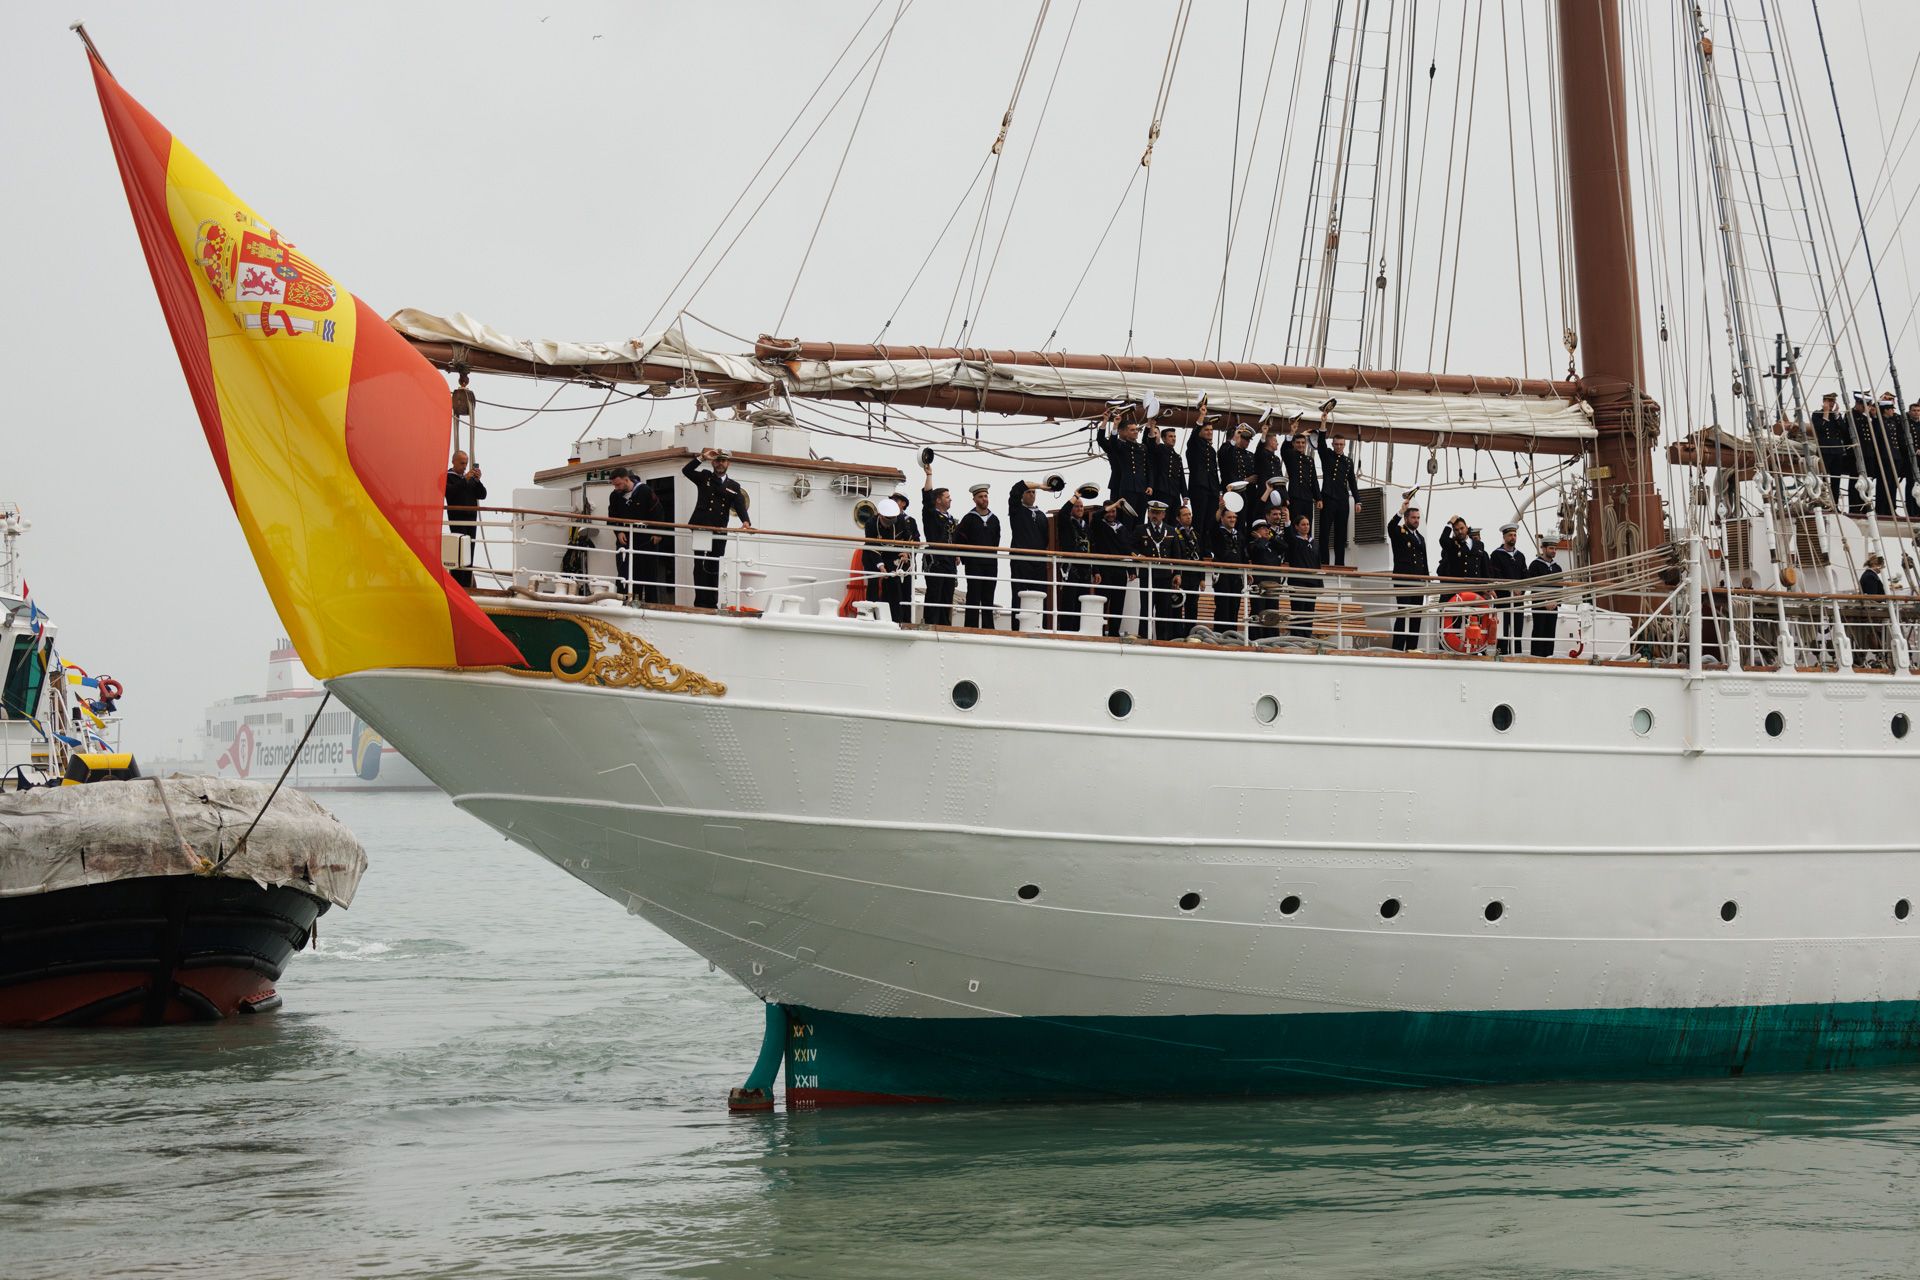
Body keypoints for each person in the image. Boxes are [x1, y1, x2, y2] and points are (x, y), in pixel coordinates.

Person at [682, 448, 751, 609]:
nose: (720, 464)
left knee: (714, 566)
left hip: (719, 530)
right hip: (701, 528)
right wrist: (701, 458)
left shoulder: (733, 486)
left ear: (728, 464)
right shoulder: (705, 476)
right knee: (700, 565)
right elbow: (686, 471)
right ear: (713, 462)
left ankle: (712, 603)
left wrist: (746, 522)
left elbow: (740, 506)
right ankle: (700, 602)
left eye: (723, 461)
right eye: (717, 461)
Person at [608, 467, 666, 603]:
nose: (616, 488)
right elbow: (612, 516)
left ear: (626, 480)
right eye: (614, 485)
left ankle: (652, 605)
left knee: (649, 574)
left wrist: (657, 532)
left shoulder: (645, 491)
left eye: (618, 484)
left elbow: (658, 512)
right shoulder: (615, 495)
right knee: (625, 573)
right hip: (625, 540)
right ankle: (626, 602)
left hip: (646, 540)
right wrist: (618, 531)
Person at [956, 482, 1002, 628]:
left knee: (988, 596)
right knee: (974, 595)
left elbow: (996, 540)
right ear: (975, 499)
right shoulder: (969, 519)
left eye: (986, 496)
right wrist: (965, 558)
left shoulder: (994, 519)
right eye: (981, 497)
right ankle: (971, 626)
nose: (984, 499)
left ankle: (989, 627)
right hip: (974, 563)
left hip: (990, 563)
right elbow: (959, 539)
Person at [1386, 493, 1428, 651]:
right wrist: (1400, 511)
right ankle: (1397, 648)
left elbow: (1424, 560)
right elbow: (1390, 527)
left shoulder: (1420, 538)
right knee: (1403, 613)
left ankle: (1412, 647)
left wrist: (1426, 579)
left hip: (1418, 582)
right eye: (1413, 518)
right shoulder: (1399, 532)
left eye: (1418, 518)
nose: (1416, 520)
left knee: (1416, 615)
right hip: (1404, 581)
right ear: (1406, 519)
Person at [1007, 480, 1052, 623]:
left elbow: (1046, 539)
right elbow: (1015, 489)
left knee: (1039, 595)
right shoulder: (1016, 511)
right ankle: (1017, 627)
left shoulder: (1041, 516)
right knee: (1019, 594)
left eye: (1034, 492)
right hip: (1021, 561)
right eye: (1029, 492)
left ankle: (1039, 625)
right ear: (1022, 495)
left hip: (1038, 561)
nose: (1032, 495)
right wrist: (1039, 486)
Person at [1315, 427, 1361, 566]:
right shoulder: (1327, 455)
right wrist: (1323, 426)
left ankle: (1339, 564)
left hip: (1342, 500)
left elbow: (1352, 481)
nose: (1339, 446)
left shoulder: (1348, 461)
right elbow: (1321, 444)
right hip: (1328, 497)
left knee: (1341, 534)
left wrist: (1358, 501)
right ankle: (1324, 562)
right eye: (1336, 444)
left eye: (1341, 444)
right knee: (1324, 532)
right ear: (1333, 444)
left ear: (1344, 445)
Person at [1089, 496, 1134, 635]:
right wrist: (1095, 571)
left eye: (1114, 511)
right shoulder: (1099, 525)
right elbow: (1096, 516)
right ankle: (1100, 632)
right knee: (1103, 602)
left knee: (1118, 604)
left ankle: (1114, 633)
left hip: (1120, 570)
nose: (1111, 514)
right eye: (1109, 511)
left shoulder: (1122, 528)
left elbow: (1127, 548)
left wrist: (1131, 569)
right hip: (1104, 569)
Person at [921, 465, 960, 626]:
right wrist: (929, 475)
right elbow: (927, 497)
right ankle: (931, 623)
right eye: (947, 497)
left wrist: (957, 553)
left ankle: (945, 625)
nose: (950, 499)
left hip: (949, 561)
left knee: (947, 594)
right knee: (934, 593)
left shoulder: (951, 518)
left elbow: (953, 537)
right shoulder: (931, 514)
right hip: (936, 560)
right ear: (938, 500)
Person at [1813, 391, 1863, 512]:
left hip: (1837, 451)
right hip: (1824, 450)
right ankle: (1823, 503)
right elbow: (1820, 428)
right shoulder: (1817, 414)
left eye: (1833, 402)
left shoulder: (1836, 416)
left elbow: (1844, 431)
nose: (1831, 404)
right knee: (1823, 479)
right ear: (1824, 402)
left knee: (1836, 479)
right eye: (1829, 401)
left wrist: (1836, 415)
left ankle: (1834, 505)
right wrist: (1825, 413)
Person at [1098, 409, 1152, 517]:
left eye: (1135, 430)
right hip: (1119, 484)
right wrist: (1106, 421)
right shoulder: (1116, 445)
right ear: (1121, 431)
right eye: (1131, 430)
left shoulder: (1139, 447)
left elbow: (1146, 464)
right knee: (1120, 516)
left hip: (1137, 485)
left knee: (1138, 516)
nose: (1135, 432)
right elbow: (1101, 439)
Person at [1136, 501, 1179, 638]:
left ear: (1163, 515)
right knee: (1146, 608)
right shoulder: (1140, 529)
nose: (1154, 515)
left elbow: (1176, 555)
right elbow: (1130, 547)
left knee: (1163, 609)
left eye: (1158, 513)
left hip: (1165, 576)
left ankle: (1162, 639)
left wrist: (1177, 574)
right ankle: (1143, 637)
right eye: (1152, 512)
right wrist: (1137, 555)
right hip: (1147, 575)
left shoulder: (1171, 531)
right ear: (1148, 513)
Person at [445, 449, 486, 588]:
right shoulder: (448, 477)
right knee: (458, 552)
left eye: (466, 463)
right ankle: (458, 584)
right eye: (462, 463)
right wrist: (464, 480)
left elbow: (482, 494)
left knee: (470, 551)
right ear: (453, 462)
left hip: (471, 520)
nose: (464, 466)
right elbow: (450, 493)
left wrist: (477, 480)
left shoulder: (469, 479)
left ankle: (467, 584)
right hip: (457, 520)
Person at [1053, 490, 1095, 627]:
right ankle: (1067, 631)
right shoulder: (1067, 523)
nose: (1080, 509)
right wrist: (1076, 496)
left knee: (1082, 603)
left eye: (1081, 506)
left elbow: (1093, 548)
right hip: (1071, 569)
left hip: (1085, 570)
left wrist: (1096, 571)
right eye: (1077, 506)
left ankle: (1079, 631)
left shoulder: (1087, 527)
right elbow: (1062, 513)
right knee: (1069, 604)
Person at [1489, 522, 1528, 655]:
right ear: (1504, 537)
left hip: (1518, 600)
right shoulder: (1496, 555)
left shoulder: (1520, 556)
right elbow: (1496, 576)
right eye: (1510, 535)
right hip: (1503, 599)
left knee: (1517, 630)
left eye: (1515, 535)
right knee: (1503, 630)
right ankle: (1501, 653)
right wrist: (1511, 588)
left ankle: (1517, 655)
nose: (1513, 537)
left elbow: (1525, 576)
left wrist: (1521, 591)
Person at [1187, 414, 1224, 551]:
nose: (1210, 432)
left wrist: (1219, 491)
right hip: (1199, 487)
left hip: (1212, 489)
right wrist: (1201, 416)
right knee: (1199, 521)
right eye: (1206, 430)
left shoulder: (1212, 450)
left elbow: (1214, 472)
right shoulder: (1194, 446)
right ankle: (1197, 549)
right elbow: (1193, 437)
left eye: (1211, 430)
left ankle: (1207, 549)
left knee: (1211, 522)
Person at [1210, 503, 1248, 637]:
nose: (1232, 519)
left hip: (1237, 575)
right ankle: (1220, 636)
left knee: (1235, 607)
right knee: (1222, 607)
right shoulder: (1217, 532)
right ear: (1222, 518)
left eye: (1234, 517)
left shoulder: (1240, 535)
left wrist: (1247, 573)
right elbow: (1213, 524)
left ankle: (1232, 636)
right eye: (1229, 517)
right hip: (1223, 574)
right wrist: (1220, 509)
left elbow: (1243, 555)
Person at [1284, 511, 1321, 638]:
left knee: (1309, 611)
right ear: (1297, 527)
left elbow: (1317, 563)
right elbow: (1288, 536)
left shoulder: (1314, 543)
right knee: (1298, 609)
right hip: (1298, 581)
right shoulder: (1294, 541)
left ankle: (1307, 635)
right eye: (1303, 524)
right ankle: (1297, 635)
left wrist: (1319, 583)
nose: (1306, 527)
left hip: (1312, 582)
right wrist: (1287, 519)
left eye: (1308, 524)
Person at [1282, 426, 1322, 542]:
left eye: (1303, 443)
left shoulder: (1310, 460)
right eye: (1298, 442)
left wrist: (1318, 498)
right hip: (1295, 496)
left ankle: (1306, 547)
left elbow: (1313, 479)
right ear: (1293, 444)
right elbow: (1284, 449)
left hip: (1308, 498)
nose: (1300, 445)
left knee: (1307, 526)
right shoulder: (1290, 456)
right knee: (1295, 524)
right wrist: (1292, 432)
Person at [1169, 503, 1203, 638]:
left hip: (1194, 575)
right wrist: (1176, 573)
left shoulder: (1195, 533)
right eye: (1185, 515)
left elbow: (1198, 556)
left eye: (1189, 514)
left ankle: (1191, 634)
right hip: (1181, 574)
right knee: (1177, 604)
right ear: (1178, 518)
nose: (1188, 517)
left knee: (1192, 605)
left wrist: (1201, 578)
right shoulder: (1173, 532)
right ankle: (1176, 635)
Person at [1245, 519, 1281, 641]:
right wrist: (1260, 539)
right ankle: (1255, 638)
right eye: (1263, 528)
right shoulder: (1253, 544)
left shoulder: (1272, 543)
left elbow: (1284, 547)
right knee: (1258, 610)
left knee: (1272, 611)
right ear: (1256, 531)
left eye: (1268, 528)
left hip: (1274, 583)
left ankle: (1272, 638)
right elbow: (1258, 551)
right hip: (1259, 584)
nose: (1267, 530)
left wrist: (1270, 538)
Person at [1528, 537, 1563, 657]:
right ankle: (1536, 656)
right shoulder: (1535, 565)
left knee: (1550, 631)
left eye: (1555, 548)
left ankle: (1549, 656)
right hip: (1539, 605)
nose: (1554, 551)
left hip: (1553, 606)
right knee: (1539, 630)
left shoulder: (1557, 568)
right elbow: (1533, 586)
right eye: (1551, 548)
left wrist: (1556, 601)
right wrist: (1544, 601)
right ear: (1543, 548)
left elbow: (1560, 588)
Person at [1148, 426, 1189, 512]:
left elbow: (1181, 477)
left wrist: (1185, 495)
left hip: (1175, 493)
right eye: (1170, 436)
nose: (1173, 439)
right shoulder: (1159, 449)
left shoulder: (1177, 457)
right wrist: (1151, 426)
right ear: (1163, 438)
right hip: (1161, 491)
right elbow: (1151, 444)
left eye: (1174, 436)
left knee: (1173, 521)